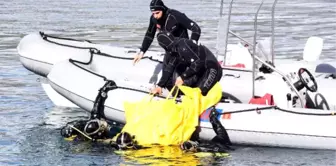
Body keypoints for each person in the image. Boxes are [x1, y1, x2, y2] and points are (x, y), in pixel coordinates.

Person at [150, 31, 223, 96]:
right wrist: (160, 86)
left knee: (200, 93)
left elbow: (197, 63)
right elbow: (169, 69)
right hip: (200, 71)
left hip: (212, 68)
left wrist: (182, 77)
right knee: (183, 90)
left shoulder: (182, 46)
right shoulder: (174, 48)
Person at [133, 0, 201, 65]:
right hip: (170, 51)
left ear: (162, 9)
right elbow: (149, 35)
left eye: (157, 13)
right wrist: (142, 52)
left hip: (183, 50)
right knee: (166, 75)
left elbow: (196, 29)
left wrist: (191, 47)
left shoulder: (175, 16)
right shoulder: (154, 19)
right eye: (153, 13)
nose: (155, 16)